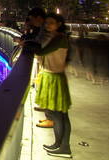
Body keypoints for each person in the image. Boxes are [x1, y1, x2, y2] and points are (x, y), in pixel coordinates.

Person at [34, 13, 72, 158]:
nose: (47, 25)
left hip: (54, 78)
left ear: (59, 24)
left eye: (51, 23)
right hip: (52, 76)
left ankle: (65, 148)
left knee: (59, 116)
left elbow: (41, 51)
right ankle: (59, 144)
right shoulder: (55, 37)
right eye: (46, 23)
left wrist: (28, 44)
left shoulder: (60, 39)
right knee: (59, 115)